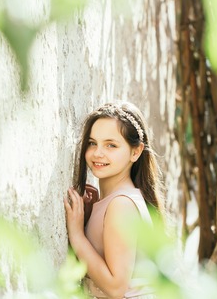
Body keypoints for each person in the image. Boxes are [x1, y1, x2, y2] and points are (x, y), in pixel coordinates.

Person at [63, 102, 165, 298]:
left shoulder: (121, 205)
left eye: (111, 145)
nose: (98, 153)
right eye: (92, 143)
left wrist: (77, 235)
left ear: (135, 152)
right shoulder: (117, 201)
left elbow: (116, 287)